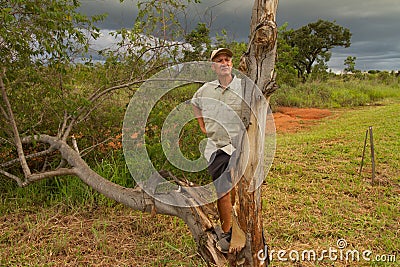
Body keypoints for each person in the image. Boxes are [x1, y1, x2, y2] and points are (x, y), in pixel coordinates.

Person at [191, 48, 244, 253]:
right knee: (222, 191)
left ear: (231, 64)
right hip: (217, 148)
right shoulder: (206, 89)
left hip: (239, 146)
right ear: (213, 66)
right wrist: (202, 126)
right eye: (219, 60)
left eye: (227, 59)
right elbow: (195, 104)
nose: (224, 62)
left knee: (240, 190)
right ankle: (227, 233)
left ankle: (243, 227)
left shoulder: (243, 86)